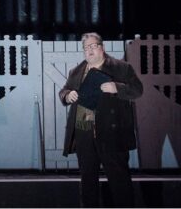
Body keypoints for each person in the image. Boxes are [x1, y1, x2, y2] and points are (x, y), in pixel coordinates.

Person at [59, 32, 143, 207]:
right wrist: (67, 95)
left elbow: (137, 90)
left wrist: (117, 87)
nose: (89, 50)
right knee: (88, 180)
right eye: (86, 48)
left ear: (102, 47)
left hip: (111, 131)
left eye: (93, 46)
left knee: (120, 180)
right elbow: (64, 90)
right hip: (84, 127)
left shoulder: (122, 68)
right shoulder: (76, 71)